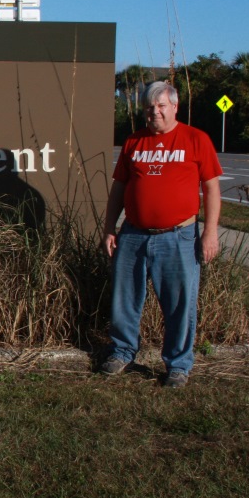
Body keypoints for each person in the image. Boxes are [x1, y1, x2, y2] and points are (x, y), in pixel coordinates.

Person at [100, 81, 222, 388]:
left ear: (174, 107)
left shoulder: (196, 140)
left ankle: (178, 364)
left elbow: (211, 189)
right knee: (124, 299)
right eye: (149, 108)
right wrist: (109, 228)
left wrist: (210, 232)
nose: (154, 113)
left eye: (161, 107)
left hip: (178, 236)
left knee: (180, 303)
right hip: (133, 235)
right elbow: (119, 189)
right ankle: (122, 351)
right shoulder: (134, 142)